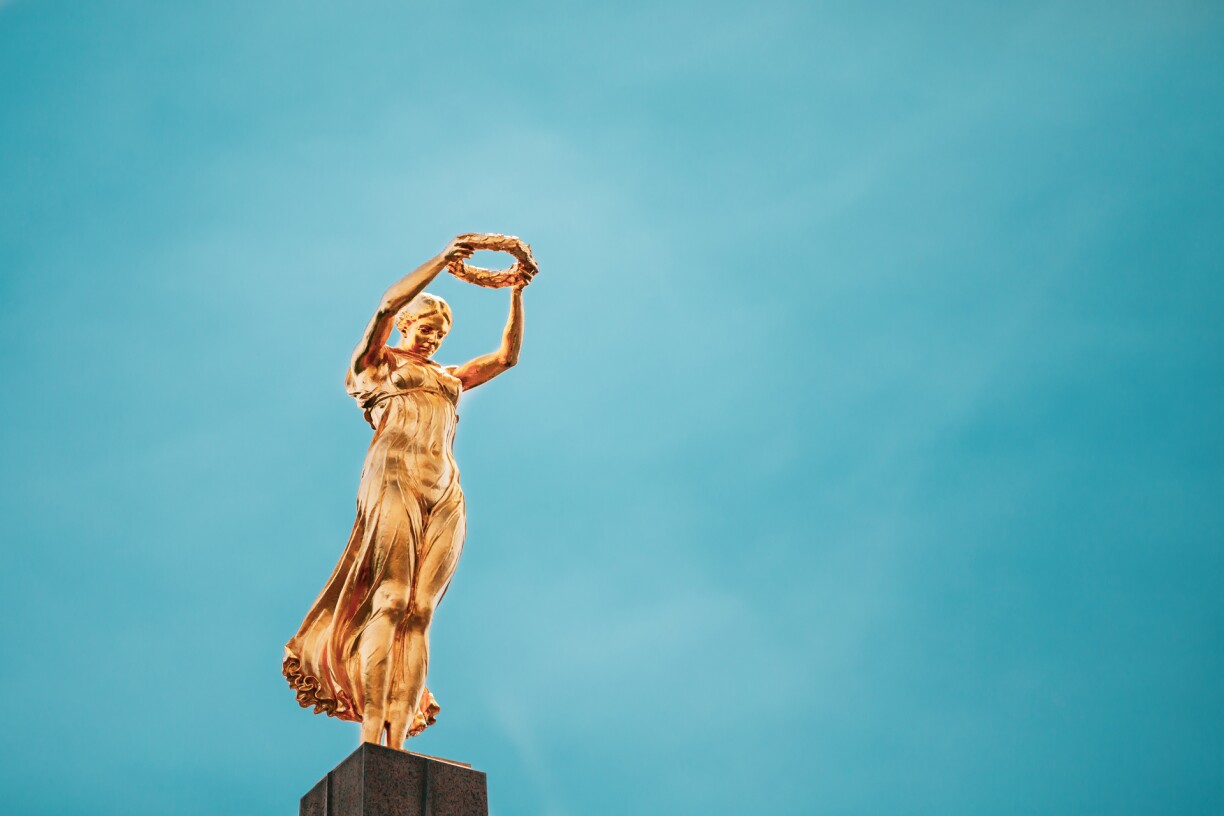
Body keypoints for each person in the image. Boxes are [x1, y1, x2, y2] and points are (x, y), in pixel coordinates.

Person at [283, 236, 532, 747]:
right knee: (391, 600)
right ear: (406, 326)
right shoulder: (375, 366)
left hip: (444, 488)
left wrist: (515, 291)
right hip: (393, 477)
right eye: (424, 329)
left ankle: (398, 739)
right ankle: (372, 734)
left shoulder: (448, 378)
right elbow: (385, 303)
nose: (431, 341)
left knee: (420, 612)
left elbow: (506, 358)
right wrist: (445, 259)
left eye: (439, 335)